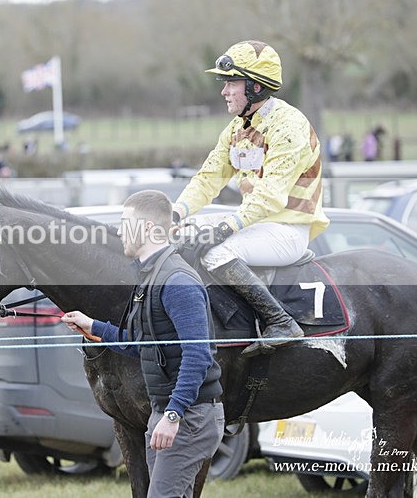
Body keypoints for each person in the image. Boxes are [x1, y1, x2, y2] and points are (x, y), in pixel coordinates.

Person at [61, 190, 224, 497]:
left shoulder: (177, 281)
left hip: (188, 417)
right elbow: (143, 345)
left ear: (147, 228)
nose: (120, 231)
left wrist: (173, 415)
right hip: (165, 414)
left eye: (126, 223)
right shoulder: (150, 277)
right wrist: (93, 327)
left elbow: (198, 355)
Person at [171, 40, 329, 357]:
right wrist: (175, 213)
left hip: (287, 230)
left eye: (232, 83)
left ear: (256, 87)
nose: (224, 91)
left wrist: (224, 228)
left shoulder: (289, 126)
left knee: (216, 250)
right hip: (257, 226)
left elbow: (269, 197)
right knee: (182, 234)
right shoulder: (236, 128)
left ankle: (280, 322)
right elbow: (208, 178)